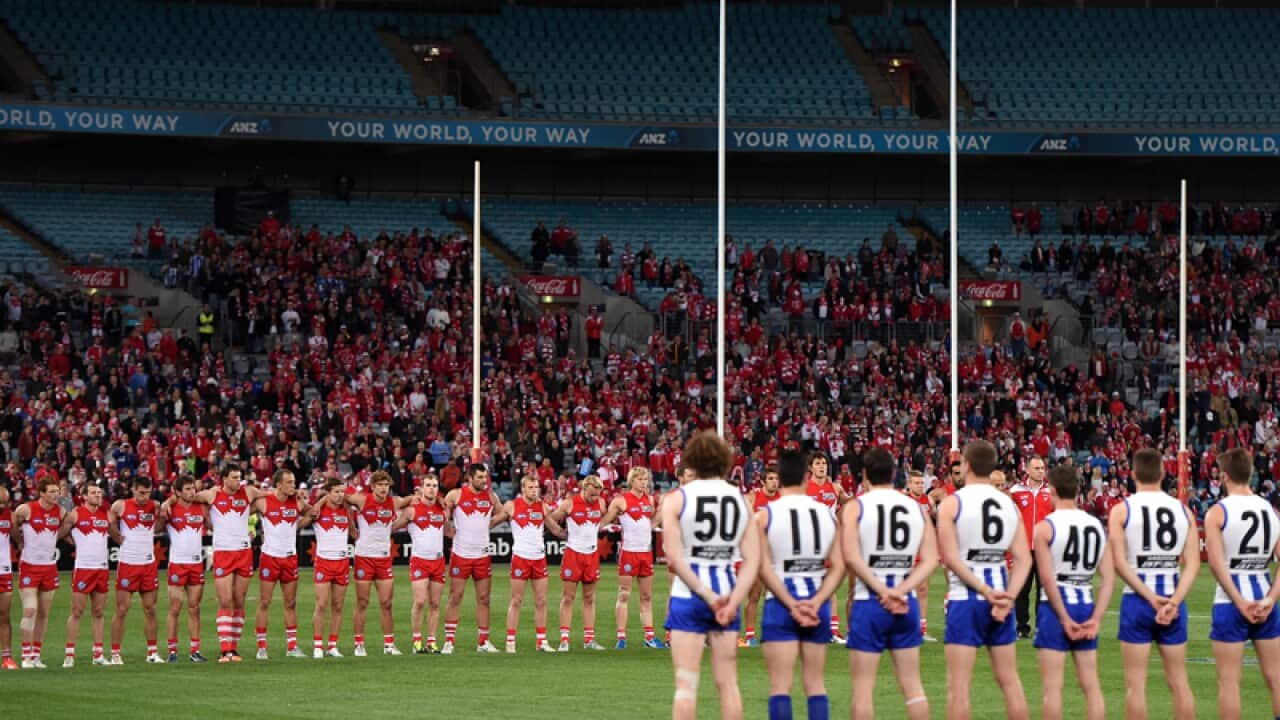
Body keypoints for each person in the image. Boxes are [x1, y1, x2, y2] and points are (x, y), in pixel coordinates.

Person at [663, 431, 761, 720]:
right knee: (728, 683)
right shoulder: (740, 500)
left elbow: (674, 558)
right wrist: (731, 602)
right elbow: (753, 559)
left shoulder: (676, 499)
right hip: (728, 589)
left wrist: (706, 595)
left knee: (685, 685)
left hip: (687, 595)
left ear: (691, 461)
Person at [937, 440, 1031, 720]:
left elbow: (952, 559)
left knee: (959, 687)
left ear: (965, 465)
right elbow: (1024, 559)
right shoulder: (1008, 504)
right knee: (1010, 681)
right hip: (1002, 600)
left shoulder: (953, 503)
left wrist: (984, 590)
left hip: (966, 599)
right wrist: (1007, 598)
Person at [844, 448, 937, 720]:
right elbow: (931, 559)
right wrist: (901, 590)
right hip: (904, 602)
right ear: (895, 474)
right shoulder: (915, 507)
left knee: (863, 691)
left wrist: (881, 589)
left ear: (864, 475)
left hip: (869, 602)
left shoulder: (856, 507)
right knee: (913, 687)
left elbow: (850, 556)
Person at [1108, 448, 1198, 720]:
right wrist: (1173, 601)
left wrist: (1149, 597)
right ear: (1162, 473)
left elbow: (1120, 563)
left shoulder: (1121, 510)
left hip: (1138, 599)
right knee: (1180, 683)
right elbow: (1192, 564)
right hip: (1172, 596)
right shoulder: (1183, 510)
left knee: (1135, 686)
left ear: (1133, 474)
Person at [757, 448, 844, 720]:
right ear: (807, 477)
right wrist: (816, 602)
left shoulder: (765, 515)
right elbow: (841, 565)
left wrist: (790, 603)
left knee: (780, 685)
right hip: (816, 600)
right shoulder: (827, 514)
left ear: (779, 478)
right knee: (815, 683)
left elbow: (761, 567)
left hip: (780, 602)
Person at [1032, 464, 1114, 720]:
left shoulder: (1045, 527)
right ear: (1078, 490)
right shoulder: (1095, 525)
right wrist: (1096, 618)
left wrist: (1064, 619)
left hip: (1055, 606)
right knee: (1091, 685)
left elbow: (1046, 578)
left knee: (1052, 688)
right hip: (1085, 601)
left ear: (1052, 491)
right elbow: (1109, 577)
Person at [1203, 448, 1280, 720]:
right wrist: (1270, 600)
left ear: (1224, 477)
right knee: (1276, 679)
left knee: (1229, 682)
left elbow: (1215, 563)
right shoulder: (1269, 510)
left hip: (1230, 599)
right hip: (1264, 594)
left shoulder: (1218, 512)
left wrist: (1238, 601)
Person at [187, 464, 269, 662]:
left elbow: (269, 494)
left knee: (239, 600)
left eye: (239, 477)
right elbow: (189, 497)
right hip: (224, 552)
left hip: (243, 552)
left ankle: (234, 648)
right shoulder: (212, 494)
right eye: (233, 477)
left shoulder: (248, 492)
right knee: (224, 600)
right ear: (224, 479)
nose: (237, 481)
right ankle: (224, 649)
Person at [441, 464, 507, 654]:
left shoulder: (491, 497)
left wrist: (492, 523)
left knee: (484, 599)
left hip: (482, 555)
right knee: (455, 597)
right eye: (479, 477)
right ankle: (449, 641)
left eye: (484, 477)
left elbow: (504, 513)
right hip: (461, 554)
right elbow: (443, 512)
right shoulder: (456, 495)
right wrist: (447, 528)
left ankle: (483, 641)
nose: (483, 480)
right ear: (470, 477)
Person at [344, 470, 410, 657]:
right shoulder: (362, 500)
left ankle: (389, 645)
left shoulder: (394, 502)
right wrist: (351, 526)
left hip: (383, 558)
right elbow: (341, 498)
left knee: (387, 603)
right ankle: (359, 644)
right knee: (362, 602)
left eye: (386, 485)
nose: (383, 488)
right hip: (364, 557)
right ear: (373, 486)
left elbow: (413, 499)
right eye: (380, 485)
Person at [600, 467, 664, 649]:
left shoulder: (649, 500)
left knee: (646, 596)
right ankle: (621, 637)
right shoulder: (621, 500)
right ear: (632, 481)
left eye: (646, 479)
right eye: (640, 479)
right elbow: (607, 520)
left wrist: (656, 520)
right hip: (629, 552)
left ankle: (649, 637)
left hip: (646, 552)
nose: (644, 483)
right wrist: (591, 528)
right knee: (624, 594)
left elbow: (652, 520)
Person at [253, 469, 312, 660]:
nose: (292, 486)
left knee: (291, 603)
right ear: (278, 485)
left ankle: (292, 646)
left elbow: (312, 513)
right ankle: (262, 647)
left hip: (290, 557)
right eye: (289, 482)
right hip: (270, 557)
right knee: (264, 602)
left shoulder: (295, 501)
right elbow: (241, 511)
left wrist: (304, 504)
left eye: (293, 482)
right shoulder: (264, 501)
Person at [500, 475, 563, 653]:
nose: (534, 490)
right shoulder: (512, 506)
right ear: (523, 489)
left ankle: (541, 641)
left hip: (539, 558)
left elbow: (555, 529)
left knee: (541, 601)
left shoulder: (542, 507)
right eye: (530, 487)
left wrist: (574, 536)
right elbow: (494, 521)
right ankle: (510, 641)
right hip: (520, 558)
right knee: (516, 600)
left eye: (536, 487)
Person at [107, 477, 163, 664]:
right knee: (122, 609)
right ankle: (115, 653)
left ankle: (152, 652)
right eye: (141, 492)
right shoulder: (121, 505)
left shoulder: (154, 506)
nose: (144, 496)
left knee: (151, 609)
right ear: (133, 489)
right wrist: (115, 534)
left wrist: (162, 516)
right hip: (128, 563)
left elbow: (160, 527)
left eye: (147, 492)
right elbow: (109, 520)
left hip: (148, 564)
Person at [551, 474, 608, 651]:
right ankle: (564, 639)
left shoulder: (600, 503)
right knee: (568, 597)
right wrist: (560, 532)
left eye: (598, 494)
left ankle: (589, 640)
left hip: (591, 554)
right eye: (592, 494)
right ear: (584, 488)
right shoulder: (570, 503)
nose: (595, 498)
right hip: (573, 554)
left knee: (589, 598)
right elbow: (551, 518)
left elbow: (606, 517)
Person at [13, 477, 63, 668]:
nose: (55, 494)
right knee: (30, 609)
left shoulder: (61, 512)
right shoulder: (26, 509)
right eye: (51, 491)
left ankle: (36, 654)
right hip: (29, 566)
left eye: (57, 491)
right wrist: (20, 542)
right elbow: (13, 524)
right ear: (41, 493)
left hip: (49, 567)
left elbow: (64, 528)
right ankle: (25, 655)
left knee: (43, 613)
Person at [58, 484, 110, 667]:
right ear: (84, 496)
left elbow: (115, 534)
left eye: (99, 492)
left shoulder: (106, 514)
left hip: (102, 569)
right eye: (94, 493)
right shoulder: (76, 514)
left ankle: (98, 654)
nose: (98, 495)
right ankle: (69, 654)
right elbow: (60, 532)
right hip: (83, 569)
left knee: (99, 612)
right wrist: (73, 542)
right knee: (77, 611)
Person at [396, 473, 448, 654]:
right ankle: (417, 639)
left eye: (435, 485)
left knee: (435, 603)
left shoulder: (443, 509)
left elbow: (448, 532)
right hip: (420, 560)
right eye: (428, 485)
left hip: (438, 560)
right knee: (419, 601)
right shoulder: (412, 510)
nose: (432, 488)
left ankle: (431, 641)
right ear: (421, 488)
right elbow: (393, 526)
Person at [161, 475, 208, 663]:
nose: (192, 492)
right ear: (178, 492)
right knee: (175, 608)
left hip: (196, 563)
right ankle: (172, 651)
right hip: (177, 564)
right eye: (187, 489)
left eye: (193, 488)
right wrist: (167, 503)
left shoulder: (201, 507)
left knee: (194, 608)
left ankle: (195, 650)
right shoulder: (170, 509)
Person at [805, 452, 849, 643]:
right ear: (811, 467)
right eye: (818, 463)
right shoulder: (804, 488)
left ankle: (833, 630)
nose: (822, 466)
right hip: (809, 541)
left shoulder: (836, 488)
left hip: (829, 541)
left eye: (824, 463)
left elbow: (848, 504)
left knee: (830, 585)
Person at [308, 478, 352, 658]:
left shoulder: (346, 510)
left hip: (342, 562)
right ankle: (318, 644)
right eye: (336, 492)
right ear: (328, 492)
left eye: (342, 492)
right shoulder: (318, 510)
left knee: (338, 606)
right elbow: (304, 521)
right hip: (324, 562)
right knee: (321, 604)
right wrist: (319, 502)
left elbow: (353, 530)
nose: (340, 495)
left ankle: (332, 645)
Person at [1010, 456, 1053, 639]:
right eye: (1036, 468)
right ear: (1027, 469)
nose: (1040, 471)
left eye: (1042, 468)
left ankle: (1042, 626)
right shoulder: (1016, 491)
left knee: (1043, 589)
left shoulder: (1051, 491)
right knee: (1023, 589)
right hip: (1024, 547)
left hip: (1044, 548)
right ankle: (1022, 626)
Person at [740, 465, 780, 648]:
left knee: (777, 595)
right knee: (755, 594)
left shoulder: (783, 499)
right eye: (770, 478)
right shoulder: (753, 497)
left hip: (776, 552)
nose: (774, 482)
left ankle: (775, 631)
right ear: (763, 481)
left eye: (776, 478)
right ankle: (750, 633)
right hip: (757, 552)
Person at [0, 487, 15, 670]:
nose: (4, 505)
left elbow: (17, 537)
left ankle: (7, 657)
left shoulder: (9, 516)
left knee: (4, 615)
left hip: (4, 570)